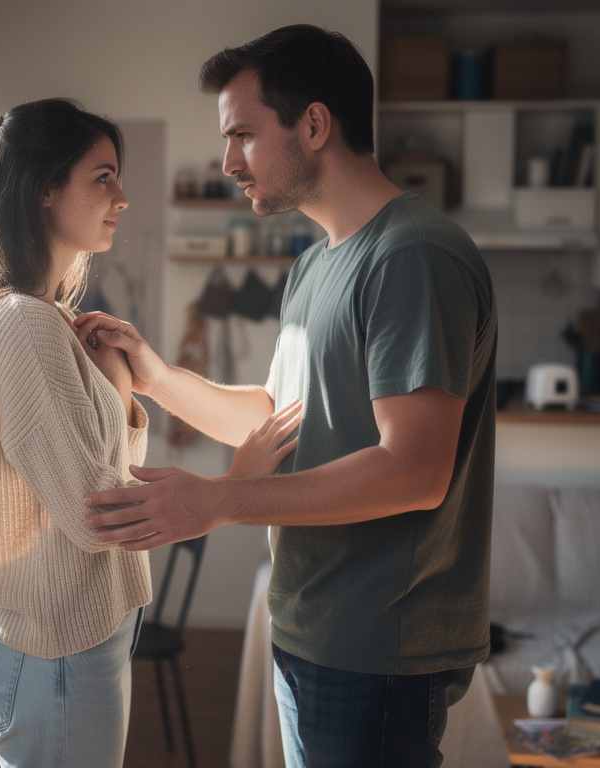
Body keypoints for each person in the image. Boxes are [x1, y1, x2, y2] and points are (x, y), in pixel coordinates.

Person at [73, 25, 497, 768]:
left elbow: (415, 471)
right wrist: (158, 378)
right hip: (313, 623)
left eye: (242, 134)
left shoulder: (413, 256)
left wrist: (219, 500)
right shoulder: (316, 266)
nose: (229, 160)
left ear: (314, 124)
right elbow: (280, 417)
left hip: (377, 641)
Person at [0, 98, 298, 768]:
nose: (122, 197)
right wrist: (237, 484)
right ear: (44, 187)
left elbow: (96, 475)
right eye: (103, 177)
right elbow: (100, 514)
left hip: (68, 645)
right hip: (52, 654)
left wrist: (124, 385)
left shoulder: (44, 319)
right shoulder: (22, 325)